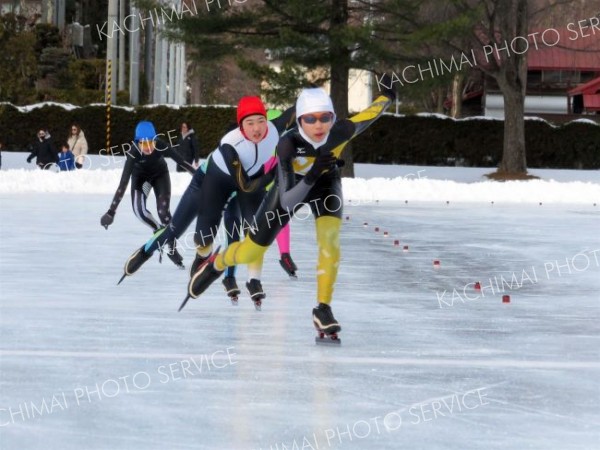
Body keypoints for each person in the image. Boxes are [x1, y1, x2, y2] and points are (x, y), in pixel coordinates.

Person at [186, 84, 395, 341]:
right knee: (252, 250)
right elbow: (287, 201)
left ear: (333, 118)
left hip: (325, 185)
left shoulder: (340, 131)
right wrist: (314, 171)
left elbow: (369, 115)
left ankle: (323, 309)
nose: (319, 126)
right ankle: (216, 263)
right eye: (310, 119)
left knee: (330, 241)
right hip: (292, 188)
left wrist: (388, 96)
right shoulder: (287, 144)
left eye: (325, 118)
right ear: (299, 120)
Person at [120, 97, 296, 308]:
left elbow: (298, 110)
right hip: (213, 181)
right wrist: (275, 174)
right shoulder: (231, 144)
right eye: (250, 123)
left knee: (254, 231)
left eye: (260, 121)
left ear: (267, 120)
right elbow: (247, 185)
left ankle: (242, 277)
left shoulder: (275, 130)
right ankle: (146, 253)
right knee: (183, 231)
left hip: (246, 183)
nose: (257, 128)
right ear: (241, 126)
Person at [101, 120, 196, 268]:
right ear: (137, 143)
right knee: (139, 211)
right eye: (143, 144)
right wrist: (111, 211)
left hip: (160, 176)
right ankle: (160, 232)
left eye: (150, 143)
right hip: (141, 180)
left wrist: (200, 176)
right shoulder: (133, 153)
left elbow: (182, 162)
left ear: (155, 140)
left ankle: (171, 249)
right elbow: (123, 183)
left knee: (163, 212)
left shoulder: (160, 144)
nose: (148, 148)